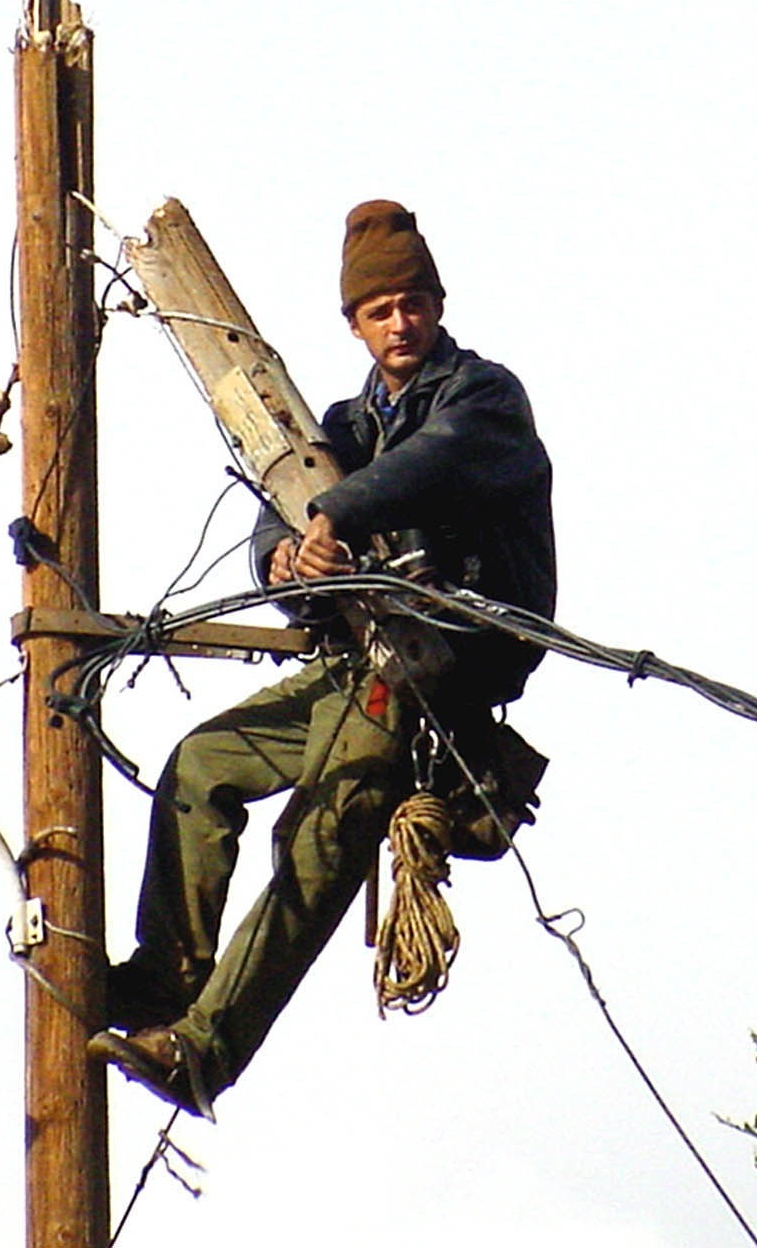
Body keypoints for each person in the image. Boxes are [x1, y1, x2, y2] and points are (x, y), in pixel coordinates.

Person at [90, 199, 556, 1116]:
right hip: (356, 667)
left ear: (438, 303)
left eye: (414, 303)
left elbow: (437, 462)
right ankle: (163, 979)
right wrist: (286, 555)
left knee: (320, 834)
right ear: (354, 322)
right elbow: (284, 499)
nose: (400, 322)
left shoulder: (482, 398)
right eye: (380, 309)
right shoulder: (344, 427)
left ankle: (203, 1050)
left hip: (437, 675)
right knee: (201, 765)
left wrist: (337, 515)